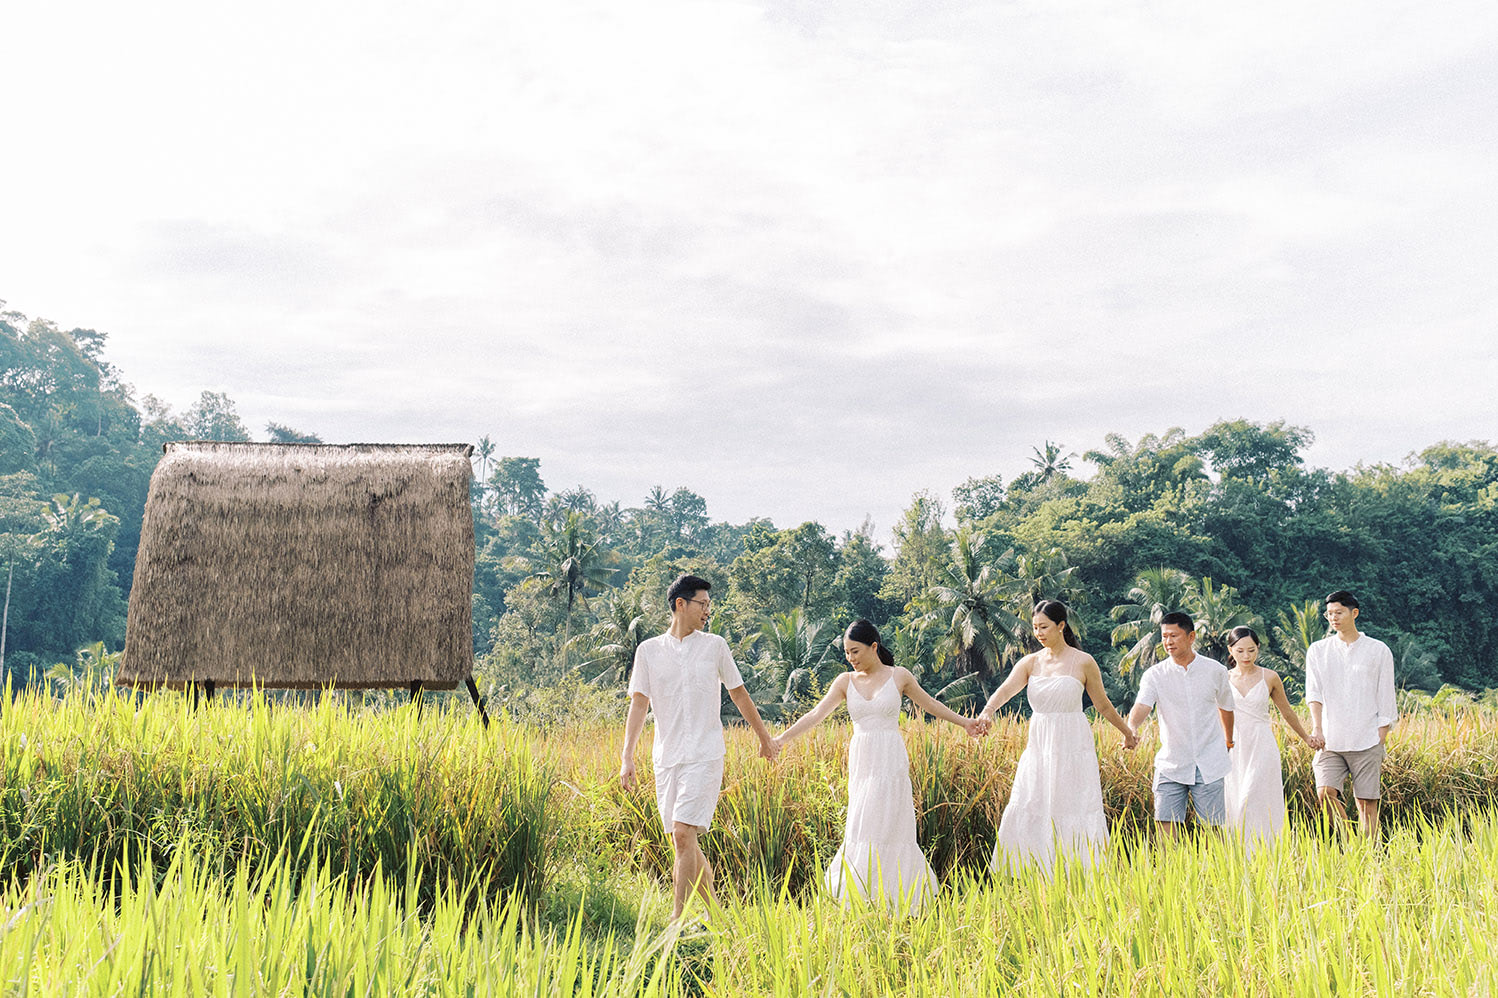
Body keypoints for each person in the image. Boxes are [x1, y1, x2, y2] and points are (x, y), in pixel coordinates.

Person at [772, 619, 985, 914]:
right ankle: (860, 900)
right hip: (863, 760)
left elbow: (931, 705)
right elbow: (815, 715)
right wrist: (781, 739)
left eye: (856, 651)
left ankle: (899, 900)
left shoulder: (899, 677)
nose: (851, 658)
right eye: (846, 653)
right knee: (863, 825)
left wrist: (966, 723)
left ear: (874, 647)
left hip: (890, 759)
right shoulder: (845, 682)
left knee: (892, 826)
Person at [619, 574, 778, 920]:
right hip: (667, 757)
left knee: (683, 832)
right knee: (683, 840)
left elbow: (738, 693)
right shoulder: (648, 651)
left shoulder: (715, 646)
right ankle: (718, 918)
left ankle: (677, 919)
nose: (708, 611)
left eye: (709, 605)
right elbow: (639, 704)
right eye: (702, 604)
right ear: (681, 604)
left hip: (705, 753)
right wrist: (627, 756)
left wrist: (764, 737)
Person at [978, 600, 1137, 874]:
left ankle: (1079, 870)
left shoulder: (1083, 661)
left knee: (1074, 803)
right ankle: (1032, 869)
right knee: (1032, 799)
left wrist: (1127, 732)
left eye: (1044, 627)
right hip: (1040, 743)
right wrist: (987, 712)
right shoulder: (1030, 663)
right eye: (1035, 627)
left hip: (1073, 744)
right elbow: (1005, 691)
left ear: (1061, 625)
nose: (1038, 633)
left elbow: (1103, 705)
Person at [1127, 612, 1235, 836]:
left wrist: (1228, 740)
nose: (1168, 642)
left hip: (1209, 761)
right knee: (1165, 826)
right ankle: (1169, 871)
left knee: (1212, 831)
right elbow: (1142, 706)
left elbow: (1226, 707)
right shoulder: (1154, 675)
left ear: (1191, 636)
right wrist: (1132, 728)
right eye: (1164, 637)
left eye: (1174, 636)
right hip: (1171, 763)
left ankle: (1214, 872)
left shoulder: (1216, 671)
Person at [1221, 626, 1323, 850]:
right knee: (1235, 802)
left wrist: (1306, 737)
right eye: (1240, 651)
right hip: (1233, 746)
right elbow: (1215, 714)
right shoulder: (1223, 678)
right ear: (1230, 650)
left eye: (1251, 650)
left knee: (1254, 797)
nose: (1246, 656)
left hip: (1262, 744)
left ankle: (1267, 852)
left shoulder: (1270, 677)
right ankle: (1238, 856)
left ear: (1258, 648)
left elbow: (1287, 712)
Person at [1305, 590, 1398, 839]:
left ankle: (1368, 856)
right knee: (1325, 793)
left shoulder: (1378, 650)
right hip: (1330, 741)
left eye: (1339, 612)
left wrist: (1381, 735)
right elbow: (1314, 693)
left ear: (1354, 613)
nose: (1333, 618)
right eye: (1329, 614)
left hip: (1367, 738)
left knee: (1366, 804)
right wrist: (1317, 728)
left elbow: (1386, 695)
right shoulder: (1318, 650)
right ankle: (1351, 845)